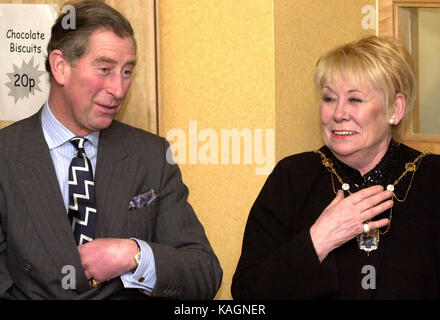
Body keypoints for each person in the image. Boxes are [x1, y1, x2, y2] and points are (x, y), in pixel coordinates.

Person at [0, 0, 222, 300]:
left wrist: (133, 255)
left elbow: (204, 272)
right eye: (105, 69)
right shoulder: (6, 155)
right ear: (61, 66)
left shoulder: (151, 156)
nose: (118, 89)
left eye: (127, 71)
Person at [231, 36, 440, 299]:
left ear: (395, 108)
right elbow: (247, 293)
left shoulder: (432, 179)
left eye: (355, 100)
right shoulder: (292, 177)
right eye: (329, 99)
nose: (338, 113)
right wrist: (319, 239)